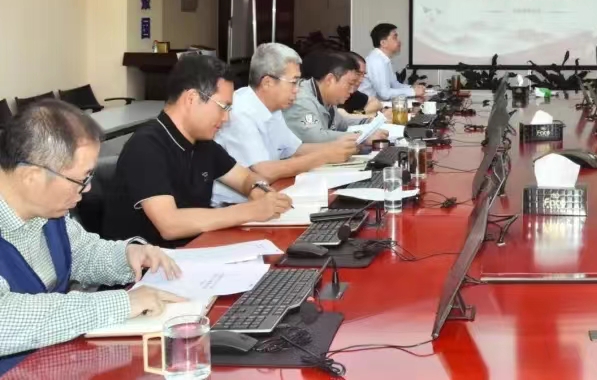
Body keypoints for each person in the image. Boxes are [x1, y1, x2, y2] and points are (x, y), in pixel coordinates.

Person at [0, 100, 184, 369]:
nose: (86, 189)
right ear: (32, 176)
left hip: (52, 361)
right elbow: (5, 320)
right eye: (81, 179)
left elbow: (81, 252)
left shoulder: (48, 210)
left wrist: (128, 255)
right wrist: (120, 304)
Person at [103, 55, 294, 248]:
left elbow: (245, 178)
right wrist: (251, 211)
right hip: (150, 261)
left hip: (193, 251)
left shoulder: (202, 143)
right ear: (192, 98)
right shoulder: (146, 146)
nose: (226, 118)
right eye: (223, 107)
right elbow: (170, 224)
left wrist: (258, 189)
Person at [211, 43, 358, 206]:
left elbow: (295, 149)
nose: (297, 90)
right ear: (267, 82)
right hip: (234, 206)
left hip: (268, 195)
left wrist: (337, 148)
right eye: (293, 82)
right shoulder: (240, 112)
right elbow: (264, 171)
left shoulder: (274, 108)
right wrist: (324, 156)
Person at [284, 50, 388, 144]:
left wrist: (371, 121)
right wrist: (362, 137)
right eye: (350, 83)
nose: (352, 91)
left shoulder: (328, 97)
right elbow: (315, 137)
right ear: (330, 80)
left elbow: (342, 123)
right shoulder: (301, 99)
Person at [359, 23, 425, 101]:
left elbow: (395, 85)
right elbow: (384, 94)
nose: (399, 41)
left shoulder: (383, 59)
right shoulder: (377, 61)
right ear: (383, 43)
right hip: (368, 106)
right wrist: (413, 92)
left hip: (377, 104)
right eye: (395, 37)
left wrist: (412, 88)